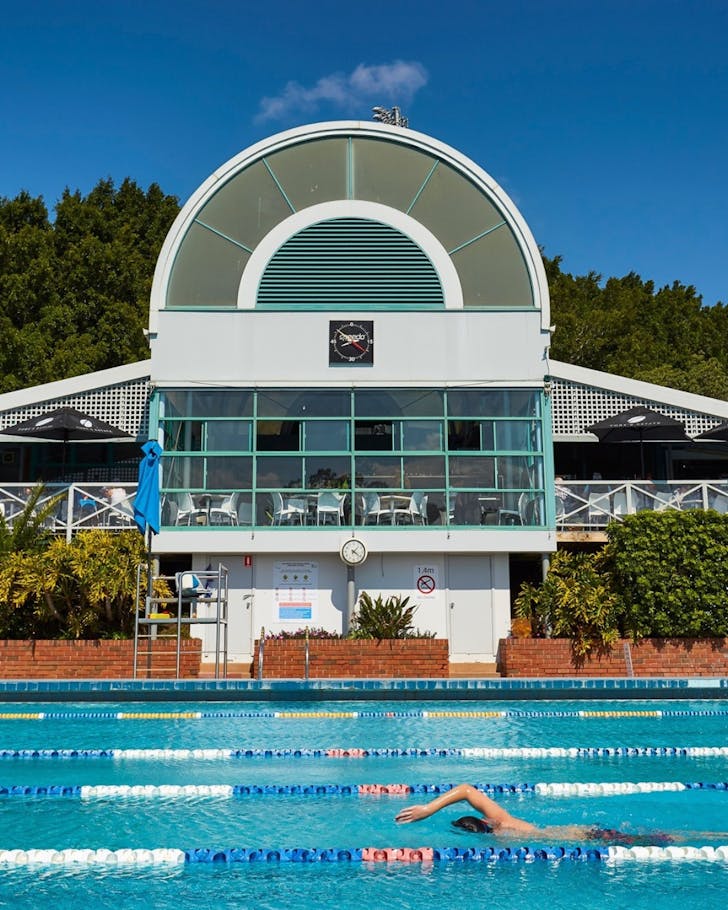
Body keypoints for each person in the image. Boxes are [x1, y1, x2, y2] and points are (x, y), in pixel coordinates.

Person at [394, 783, 676, 845]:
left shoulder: (500, 825)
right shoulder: (501, 825)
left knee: (658, 840)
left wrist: (428, 810)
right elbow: (467, 791)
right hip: (579, 835)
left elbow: (467, 789)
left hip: (584, 837)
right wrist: (430, 808)